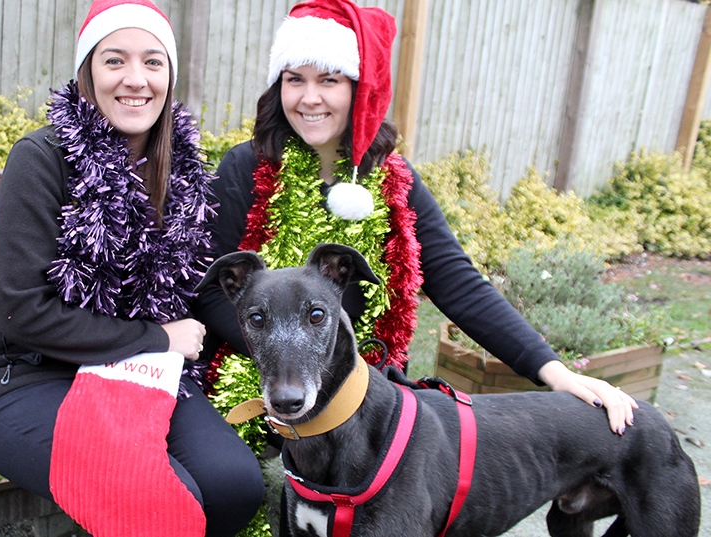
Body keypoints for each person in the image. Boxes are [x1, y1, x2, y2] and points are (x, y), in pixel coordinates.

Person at [192, 0, 638, 437]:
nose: (310, 98)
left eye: (329, 79)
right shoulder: (244, 169)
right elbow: (212, 291)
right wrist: (286, 355)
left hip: (367, 386)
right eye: (295, 80)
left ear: (358, 89)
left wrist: (554, 372)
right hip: (257, 376)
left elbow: (456, 281)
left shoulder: (394, 183)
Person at [0, 1, 265, 535]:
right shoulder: (41, 158)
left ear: (169, 75)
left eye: (153, 62)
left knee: (236, 484)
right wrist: (157, 337)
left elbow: (196, 291)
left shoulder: (181, 172)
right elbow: (24, 313)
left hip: (134, 372)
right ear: (88, 73)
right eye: (114, 61)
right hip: (19, 376)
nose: (136, 80)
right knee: (160, 500)